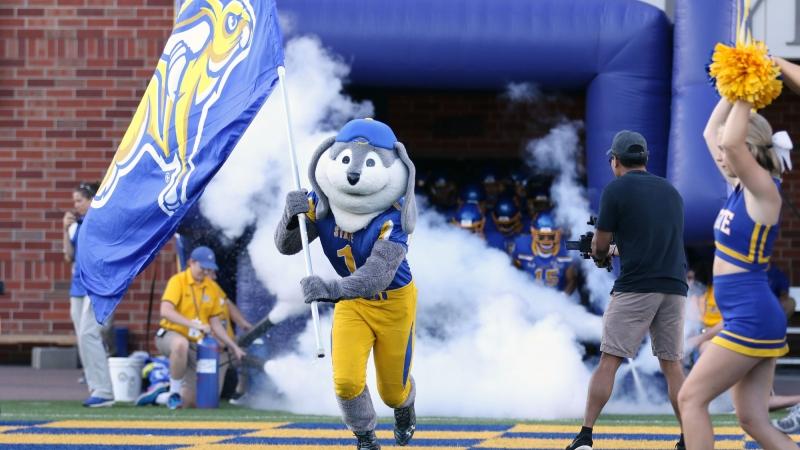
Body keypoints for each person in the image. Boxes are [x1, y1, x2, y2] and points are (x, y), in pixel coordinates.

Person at [275, 118, 419, 449]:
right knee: (345, 381)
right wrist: (289, 217)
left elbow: (378, 274)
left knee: (392, 392)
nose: (353, 174)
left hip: (393, 303)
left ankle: (405, 405)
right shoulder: (321, 201)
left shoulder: (393, 217)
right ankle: (365, 437)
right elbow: (288, 246)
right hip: (352, 303)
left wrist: (332, 290)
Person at [677, 98, 795, 450]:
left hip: (752, 316)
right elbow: (710, 133)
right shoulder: (740, 187)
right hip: (748, 315)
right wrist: (730, 91)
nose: (720, 155)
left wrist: (745, 91)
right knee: (752, 419)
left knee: (690, 398)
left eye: (727, 150)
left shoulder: (764, 189)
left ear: (747, 148)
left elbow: (728, 141)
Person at [566, 131, 688, 450]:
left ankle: (585, 435)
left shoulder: (616, 189)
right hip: (675, 287)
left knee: (609, 360)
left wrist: (599, 254)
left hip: (636, 286)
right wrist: (614, 249)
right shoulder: (671, 191)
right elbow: (648, 244)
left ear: (615, 160)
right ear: (645, 158)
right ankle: (688, 436)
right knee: (672, 366)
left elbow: (601, 245)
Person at [155, 246, 245, 409]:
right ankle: (173, 391)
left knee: (193, 402)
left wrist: (234, 346)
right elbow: (165, 311)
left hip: (196, 345)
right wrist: (195, 325)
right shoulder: (178, 280)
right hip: (170, 334)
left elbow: (215, 323)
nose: (205, 272)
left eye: (208, 269)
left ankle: (160, 395)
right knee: (180, 344)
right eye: (202, 267)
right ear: (191, 262)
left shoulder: (211, 286)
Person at [63, 181, 115, 408]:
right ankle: (95, 387)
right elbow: (69, 256)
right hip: (78, 287)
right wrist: (64, 230)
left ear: (93, 200)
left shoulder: (103, 223)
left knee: (89, 333)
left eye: (80, 200)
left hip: (97, 286)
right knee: (82, 337)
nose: (76, 205)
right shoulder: (77, 225)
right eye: (74, 201)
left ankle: (104, 390)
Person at [510, 213, 577, 295]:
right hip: (528, 295)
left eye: (551, 236)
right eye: (541, 237)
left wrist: (562, 298)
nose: (546, 241)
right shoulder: (521, 245)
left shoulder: (569, 248)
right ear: (533, 233)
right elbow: (513, 273)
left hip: (557, 297)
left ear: (559, 234)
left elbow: (572, 280)